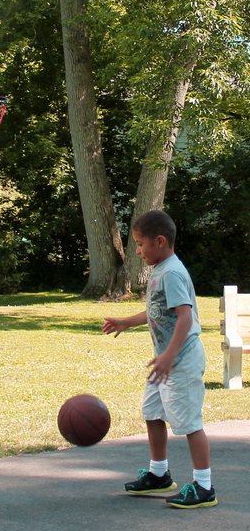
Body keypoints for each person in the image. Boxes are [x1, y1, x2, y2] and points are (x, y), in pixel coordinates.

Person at [102, 210, 218, 509]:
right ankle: (159, 474)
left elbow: (184, 316)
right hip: (165, 361)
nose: (138, 251)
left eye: (141, 244)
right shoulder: (160, 270)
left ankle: (205, 486)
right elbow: (156, 310)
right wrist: (126, 322)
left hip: (181, 361)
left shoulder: (173, 273)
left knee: (190, 423)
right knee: (152, 413)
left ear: (161, 241)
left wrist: (168, 355)